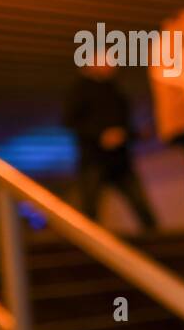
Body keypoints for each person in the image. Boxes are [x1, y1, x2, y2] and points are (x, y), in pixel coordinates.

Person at [63, 52, 158, 231]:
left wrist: (134, 135)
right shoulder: (80, 89)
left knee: (141, 205)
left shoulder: (116, 91)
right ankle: (90, 247)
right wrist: (100, 135)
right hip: (94, 160)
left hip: (120, 160)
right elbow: (70, 121)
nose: (112, 65)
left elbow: (123, 124)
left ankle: (158, 243)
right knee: (90, 209)